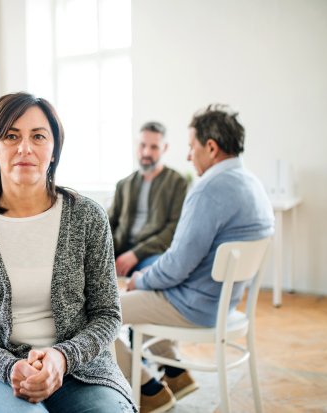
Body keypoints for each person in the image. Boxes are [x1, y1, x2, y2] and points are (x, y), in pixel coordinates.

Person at [0, 92, 137, 413]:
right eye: (11, 136)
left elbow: (108, 314)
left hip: (80, 369)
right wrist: (8, 366)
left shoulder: (88, 217)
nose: (25, 148)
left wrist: (62, 357)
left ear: (54, 150)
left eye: (38, 136)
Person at [115, 104, 274, 413]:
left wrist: (140, 279)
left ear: (211, 148)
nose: (189, 156)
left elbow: (175, 266)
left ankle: (149, 391)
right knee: (145, 296)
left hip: (195, 307)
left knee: (98, 313)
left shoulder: (208, 190)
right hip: (224, 303)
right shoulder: (253, 184)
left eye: (192, 147)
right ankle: (177, 377)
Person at [108, 122, 188, 277]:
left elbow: (174, 228)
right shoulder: (124, 184)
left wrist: (136, 254)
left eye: (154, 147)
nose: (146, 152)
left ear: (164, 148)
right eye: (142, 145)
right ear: (136, 144)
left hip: (151, 254)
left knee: (159, 272)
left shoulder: (178, 183)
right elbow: (109, 221)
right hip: (120, 249)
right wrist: (105, 248)